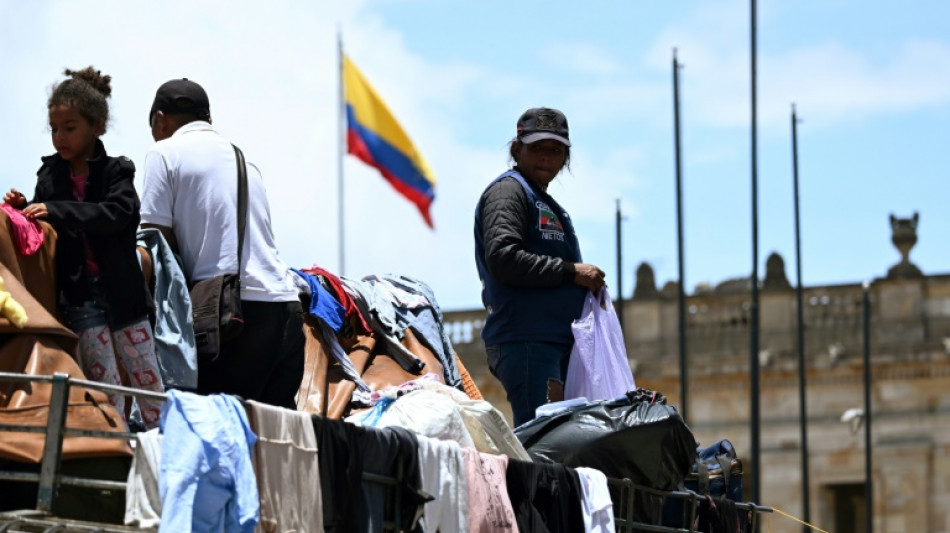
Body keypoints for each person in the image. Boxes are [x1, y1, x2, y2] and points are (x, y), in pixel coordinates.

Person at [3, 67, 165, 428]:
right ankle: (118, 449)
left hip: (123, 295)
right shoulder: (48, 177)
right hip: (80, 299)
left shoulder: (117, 171)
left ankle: (160, 447)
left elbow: (117, 214)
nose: (59, 137)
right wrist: (21, 206)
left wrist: (56, 209)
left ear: (97, 126)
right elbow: (42, 223)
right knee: (104, 385)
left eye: (70, 128)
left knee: (147, 379)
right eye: (54, 129)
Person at [140, 78, 304, 409]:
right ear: (209, 120)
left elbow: (156, 244)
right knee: (271, 446)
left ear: (160, 120)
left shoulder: (163, 153)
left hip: (231, 317)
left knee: (213, 436)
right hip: (286, 310)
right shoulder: (245, 161)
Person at [474, 107, 606, 427]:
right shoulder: (509, 192)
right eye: (537, 148)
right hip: (528, 342)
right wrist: (571, 271)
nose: (546, 157)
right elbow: (504, 257)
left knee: (557, 443)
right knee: (544, 442)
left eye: (555, 150)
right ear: (516, 150)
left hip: (550, 344)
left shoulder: (544, 201)